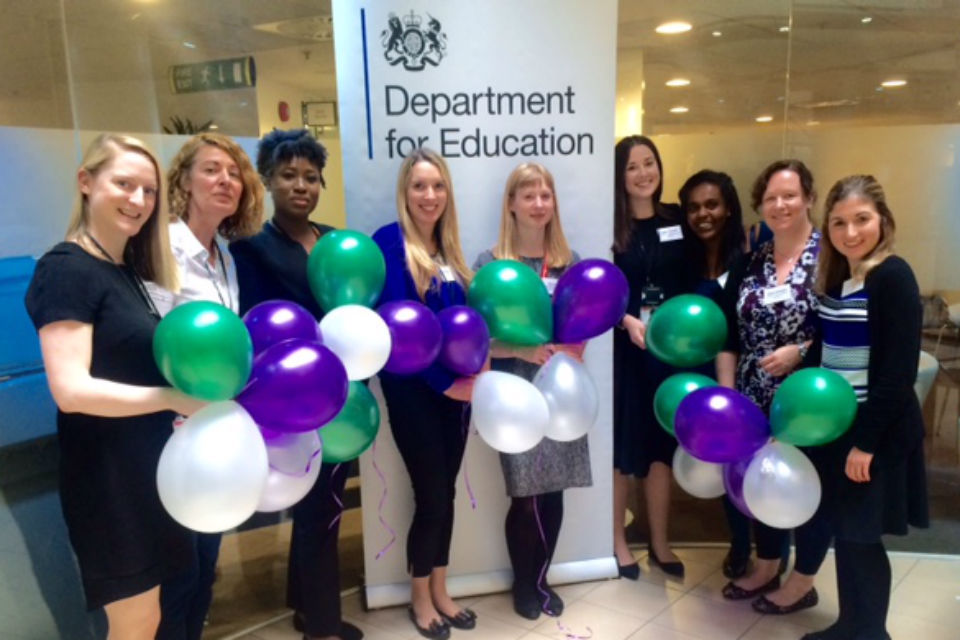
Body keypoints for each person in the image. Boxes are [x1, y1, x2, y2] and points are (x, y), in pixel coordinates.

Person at [24, 133, 203, 639]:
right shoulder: (65, 270)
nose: (138, 201)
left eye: (149, 191)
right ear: (86, 182)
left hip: (149, 471)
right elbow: (71, 390)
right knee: (135, 621)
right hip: (108, 481)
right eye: (124, 184)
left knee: (151, 617)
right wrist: (171, 398)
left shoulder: (125, 272)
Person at [231, 128, 363, 640]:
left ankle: (304, 604)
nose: (300, 186)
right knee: (318, 509)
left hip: (340, 395)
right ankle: (323, 627)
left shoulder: (335, 242)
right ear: (267, 181)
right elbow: (255, 327)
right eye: (288, 176)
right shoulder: (252, 250)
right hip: (291, 400)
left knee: (321, 504)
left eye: (310, 177)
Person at [801, 175, 928, 640]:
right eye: (838, 222)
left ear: (883, 221)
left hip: (875, 433)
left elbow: (898, 374)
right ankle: (849, 624)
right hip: (836, 429)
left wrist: (865, 444)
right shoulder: (838, 276)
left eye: (861, 220)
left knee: (862, 535)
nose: (850, 232)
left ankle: (871, 633)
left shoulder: (893, 276)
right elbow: (825, 351)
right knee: (845, 534)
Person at [149, 132, 264, 640]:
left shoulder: (225, 254)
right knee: (179, 573)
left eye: (234, 173)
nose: (226, 180)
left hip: (215, 428)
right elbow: (152, 341)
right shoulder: (162, 249)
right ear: (184, 182)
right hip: (170, 429)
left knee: (205, 561)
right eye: (212, 170)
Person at [473, 163, 592, 620]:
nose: (539, 204)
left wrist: (572, 349)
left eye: (546, 195)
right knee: (524, 495)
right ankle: (523, 585)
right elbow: (481, 340)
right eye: (529, 196)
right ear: (511, 204)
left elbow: (583, 325)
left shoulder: (569, 260)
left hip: (562, 392)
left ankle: (542, 579)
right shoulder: (489, 264)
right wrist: (523, 350)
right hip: (514, 393)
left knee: (554, 491)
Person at [372, 149, 479, 640]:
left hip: (457, 396)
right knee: (432, 496)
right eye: (419, 186)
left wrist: (474, 374)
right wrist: (447, 385)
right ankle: (420, 598)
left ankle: (441, 588)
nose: (429, 196)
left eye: (437, 186)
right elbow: (399, 334)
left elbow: (465, 328)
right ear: (405, 192)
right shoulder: (390, 243)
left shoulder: (448, 247)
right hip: (415, 393)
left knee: (447, 494)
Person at [717, 159, 827, 614]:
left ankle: (803, 582)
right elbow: (727, 333)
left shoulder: (831, 258)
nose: (780, 205)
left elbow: (846, 329)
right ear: (759, 205)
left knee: (808, 488)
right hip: (753, 399)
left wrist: (801, 351)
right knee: (765, 485)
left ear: (809, 199)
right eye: (771, 198)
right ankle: (766, 567)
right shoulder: (751, 262)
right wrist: (728, 400)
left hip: (812, 404)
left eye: (790, 195)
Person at [612, 135, 689, 579]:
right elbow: (603, 293)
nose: (643, 173)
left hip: (670, 355)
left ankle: (659, 541)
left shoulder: (677, 220)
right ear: (620, 177)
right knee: (625, 448)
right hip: (627, 350)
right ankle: (618, 541)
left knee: (661, 449)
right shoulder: (612, 229)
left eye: (649, 163)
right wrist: (627, 320)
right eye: (632, 166)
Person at [677, 170, 751, 578]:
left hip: (743, 375)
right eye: (694, 207)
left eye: (712, 205)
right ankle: (739, 542)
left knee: (745, 461)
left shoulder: (750, 255)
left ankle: (760, 547)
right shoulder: (683, 262)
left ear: (728, 208)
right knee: (721, 460)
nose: (703, 214)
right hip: (696, 376)